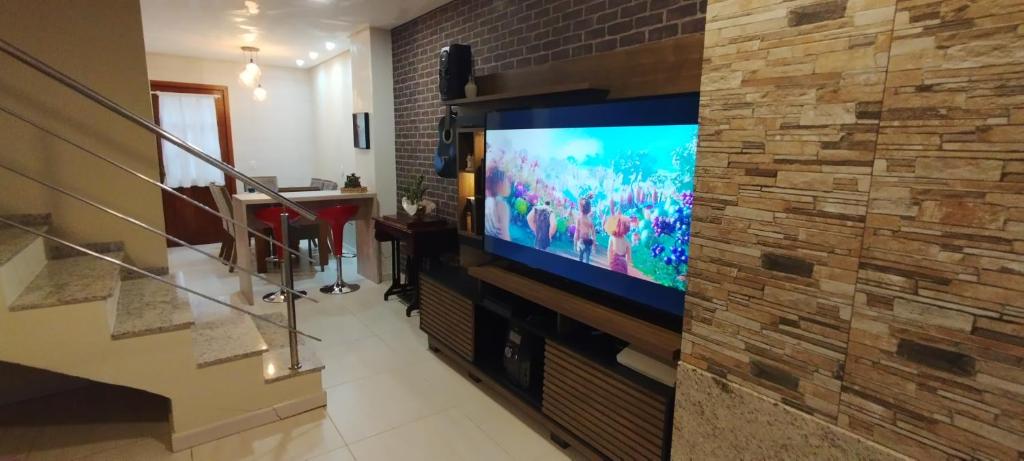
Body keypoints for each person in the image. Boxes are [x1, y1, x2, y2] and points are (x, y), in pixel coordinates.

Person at [484, 168, 510, 240]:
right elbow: (506, 238)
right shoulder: (502, 206)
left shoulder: (488, 200)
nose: (509, 183)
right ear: (499, 183)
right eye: (506, 180)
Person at [574, 195, 595, 264]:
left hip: (582, 240)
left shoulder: (579, 218)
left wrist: (575, 242)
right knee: (587, 260)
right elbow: (593, 232)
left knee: (580, 257)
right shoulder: (589, 219)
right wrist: (594, 242)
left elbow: (577, 231)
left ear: (580, 207)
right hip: (588, 241)